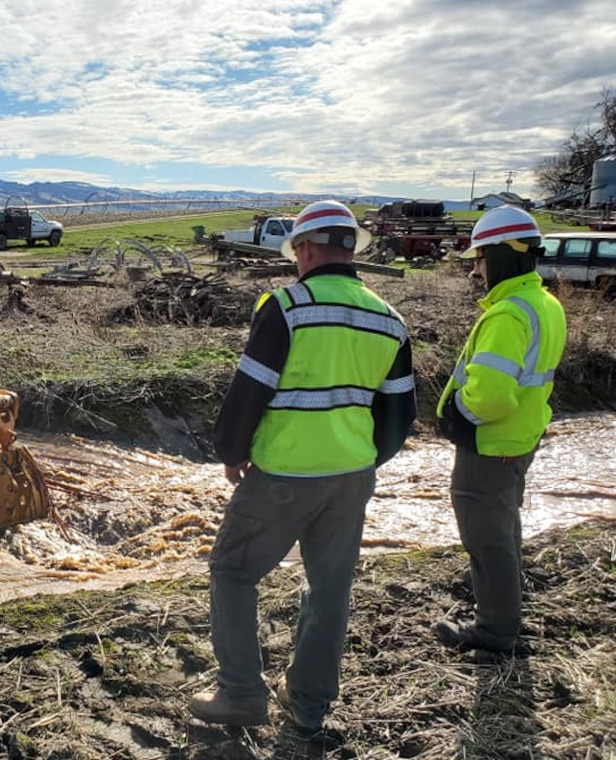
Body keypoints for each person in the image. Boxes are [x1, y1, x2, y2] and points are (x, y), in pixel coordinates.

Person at [190, 200, 416, 735]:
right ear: (349, 250)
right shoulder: (390, 318)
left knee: (233, 570)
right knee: (331, 588)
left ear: (306, 249)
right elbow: (400, 412)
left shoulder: (288, 307)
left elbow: (250, 390)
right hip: (352, 474)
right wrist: (364, 459)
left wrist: (231, 452)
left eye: (296, 250)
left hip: (286, 472)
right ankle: (310, 703)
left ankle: (242, 693)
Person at [433, 205, 566, 655]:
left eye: (480, 258)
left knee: (486, 539)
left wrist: (457, 416)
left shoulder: (508, 314)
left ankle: (494, 631)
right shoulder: (546, 304)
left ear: (504, 255)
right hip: (519, 440)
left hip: (489, 445)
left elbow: (491, 396)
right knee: (504, 530)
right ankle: (504, 615)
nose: (476, 268)